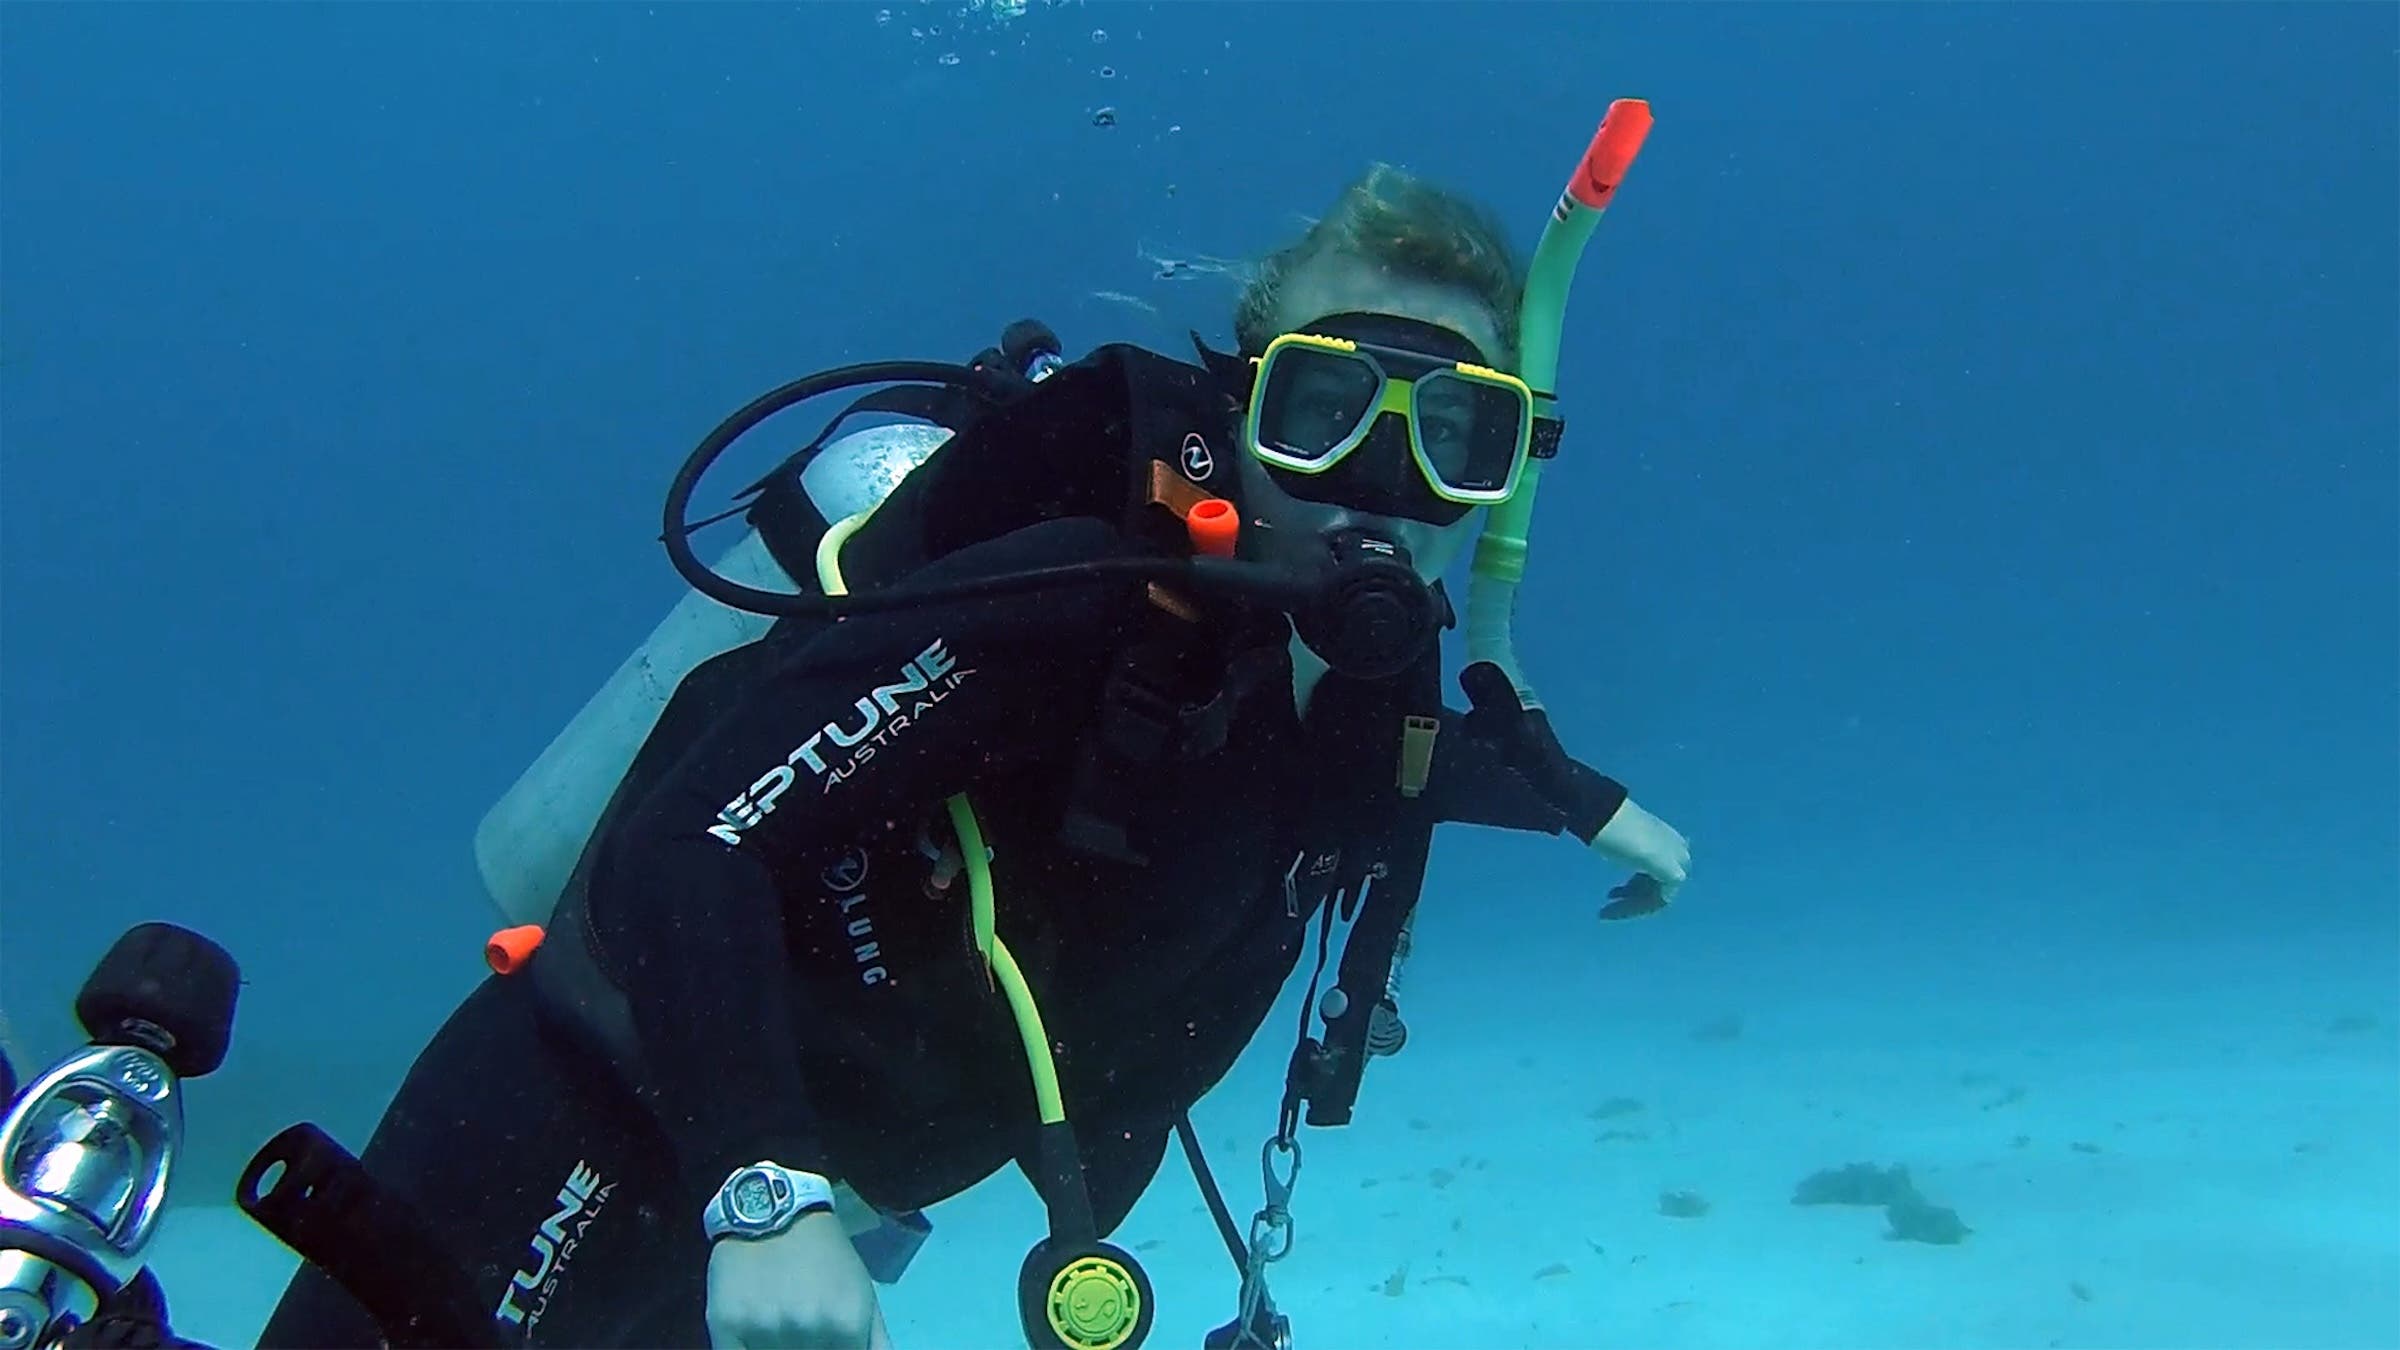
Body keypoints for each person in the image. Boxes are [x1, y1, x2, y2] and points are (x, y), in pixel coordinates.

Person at [259, 153, 1691, 1350]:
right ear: (1238, 410)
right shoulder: (1069, 598)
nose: (1387, 487)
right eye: (1323, 412)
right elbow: (689, 840)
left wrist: (1581, 802)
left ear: (1510, 470)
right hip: (604, 1109)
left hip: (848, 1200)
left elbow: (1326, 775)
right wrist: (766, 1187)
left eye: (1455, 433)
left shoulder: (1375, 685)